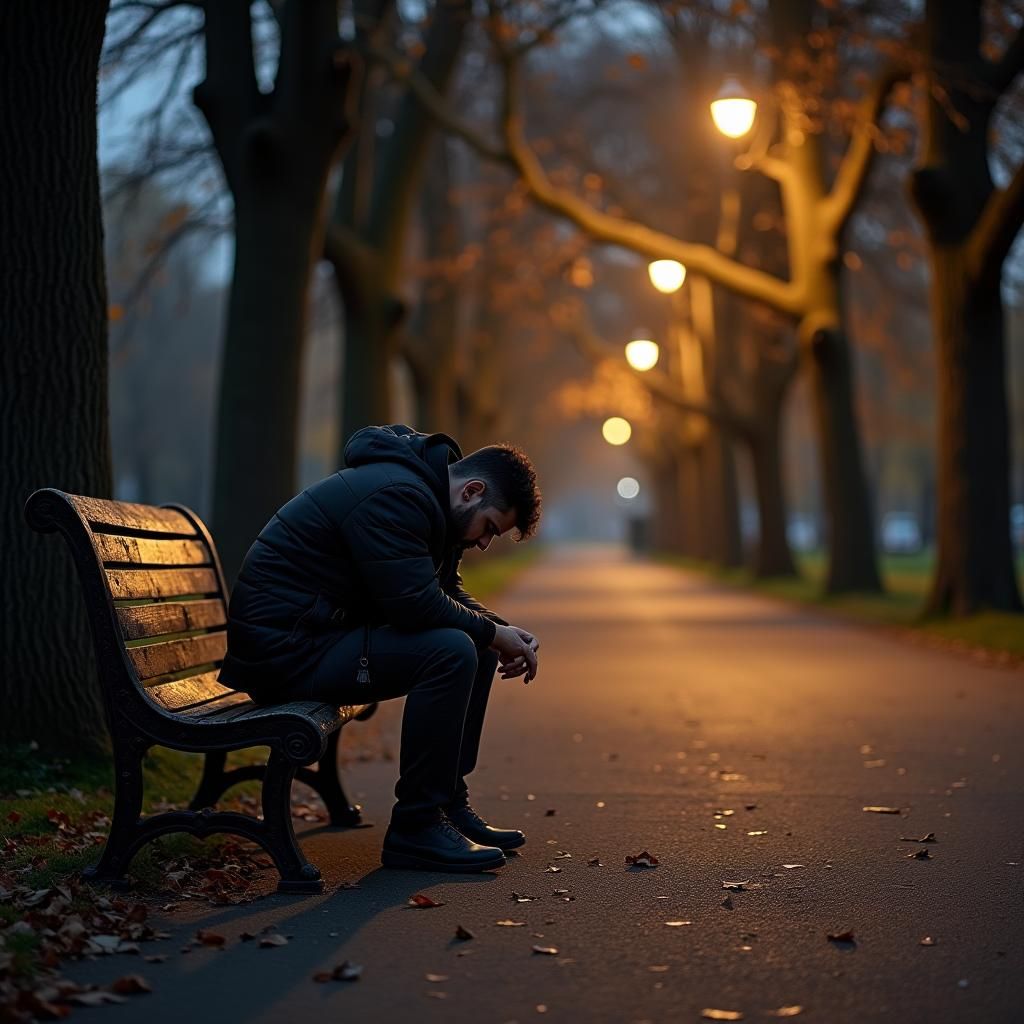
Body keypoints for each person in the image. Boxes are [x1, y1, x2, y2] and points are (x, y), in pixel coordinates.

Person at [218, 424, 542, 873]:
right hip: (286, 654)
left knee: (478, 643)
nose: (485, 543)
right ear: (471, 490)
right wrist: (491, 633)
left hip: (317, 639)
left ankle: (447, 801)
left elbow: (443, 590)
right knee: (452, 649)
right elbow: (414, 605)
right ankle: (416, 827)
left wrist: (502, 632)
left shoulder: (426, 498)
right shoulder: (396, 495)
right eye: (489, 528)